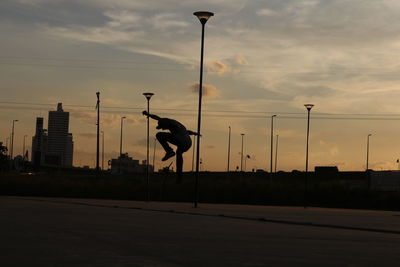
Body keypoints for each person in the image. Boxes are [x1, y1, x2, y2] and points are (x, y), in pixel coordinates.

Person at [142, 111, 199, 182]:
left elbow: (157, 118)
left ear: (165, 124)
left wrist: (148, 114)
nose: (163, 129)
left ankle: (169, 151)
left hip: (181, 141)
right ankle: (179, 177)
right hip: (187, 144)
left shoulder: (170, 123)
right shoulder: (176, 124)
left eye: (163, 127)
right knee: (179, 154)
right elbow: (185, 131)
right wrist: (194, 133)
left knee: (159, 135)